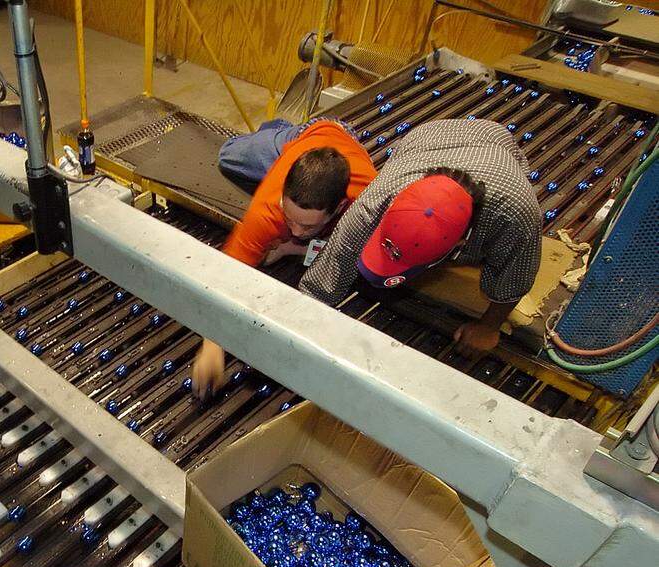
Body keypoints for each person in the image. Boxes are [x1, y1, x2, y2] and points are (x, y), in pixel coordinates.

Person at [192, 118, 542, 397]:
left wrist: (489, 326)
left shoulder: (517, 216)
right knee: (230, 157)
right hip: (428, 138)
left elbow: (516, 276)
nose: (297, 230)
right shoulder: (376, 199)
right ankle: (284, 133)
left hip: (494, 143)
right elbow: (326, 277)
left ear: (458, 246)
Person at [192, 118, 377, 395]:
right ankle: (279, 130)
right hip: (306, 136)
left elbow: (355, 257)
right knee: (227, 156)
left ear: (339, 207)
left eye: (308, 226)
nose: (296, 230)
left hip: (343, 137)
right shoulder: (268, 211)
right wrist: (212, 344)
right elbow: (227, 275)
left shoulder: (366, 203)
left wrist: (290, 247)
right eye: (290, 219)